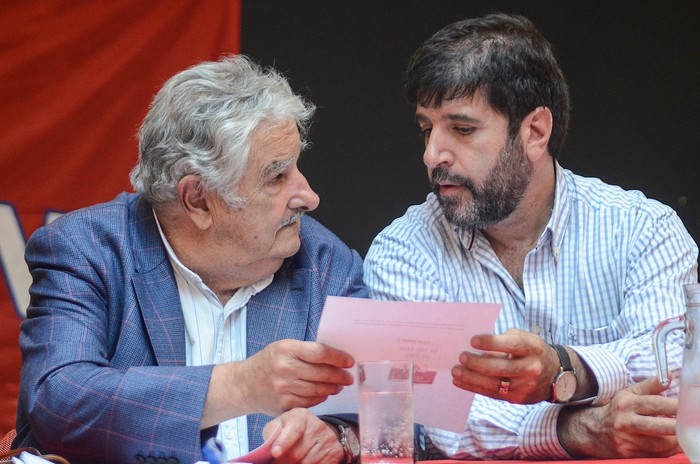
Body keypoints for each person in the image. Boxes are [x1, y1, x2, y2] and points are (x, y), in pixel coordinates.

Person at [364, 13, 698, 460]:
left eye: (462, 129)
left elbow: (679, 370)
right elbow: (434, 416)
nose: (432, 155)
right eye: (427, 128)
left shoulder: (643, 228)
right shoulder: (402, 252)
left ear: (535, 132)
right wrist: (579, 428)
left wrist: (567, 368)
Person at [14, 55, 366, 464]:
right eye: (277, 177)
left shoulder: (323, 261)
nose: (309, 196)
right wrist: (243, 385)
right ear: (198, 200)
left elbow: (396, 401)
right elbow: (58, 401)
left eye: (296, 168)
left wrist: (336, 436)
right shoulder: (89, 249)